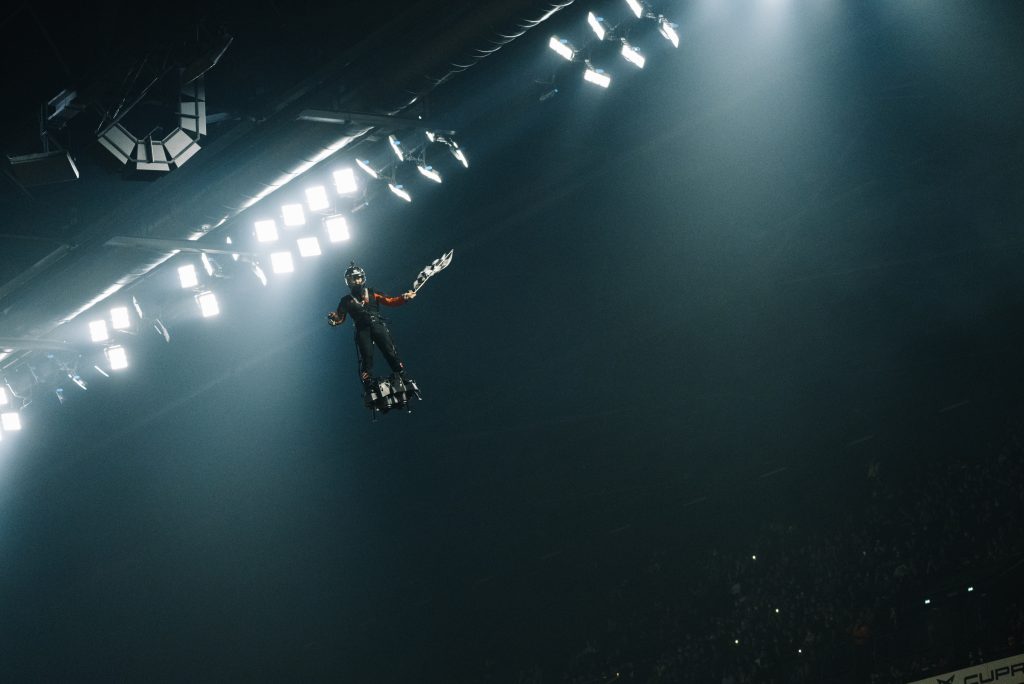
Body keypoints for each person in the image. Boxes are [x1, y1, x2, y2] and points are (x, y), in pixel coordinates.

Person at [327, 262, 416, 389]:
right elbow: (340, 318)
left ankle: (402, 375)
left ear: (363, 278)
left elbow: (390, 301)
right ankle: (368, 382)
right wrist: (334, 319)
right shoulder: (345, 300)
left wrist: (404, 297)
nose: (357, 280)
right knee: (366, 356)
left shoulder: (372, 292)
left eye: (359, 277)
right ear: (349, 281)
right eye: (354, 278)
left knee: (389, 351)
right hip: (361, 330)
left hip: (377, 324)